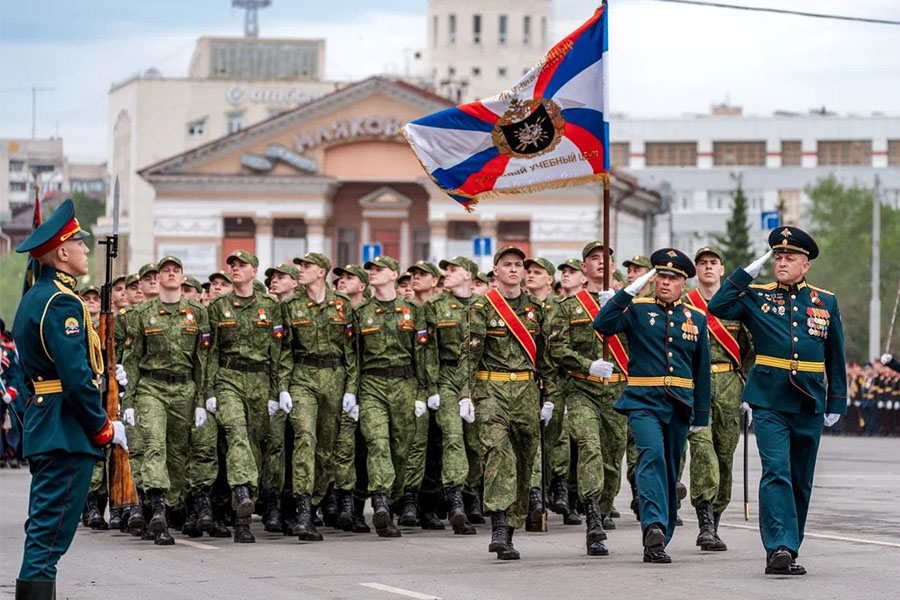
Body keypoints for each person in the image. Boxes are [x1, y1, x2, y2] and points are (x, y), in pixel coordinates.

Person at [708, 227, 847, 576]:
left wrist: (837, 401)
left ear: (806, 265)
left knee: (801, 477)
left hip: (810, 399)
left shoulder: (824, 302)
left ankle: (791, 545)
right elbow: (717, 305)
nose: (782, 262)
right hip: (769, 399)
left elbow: (836, 355)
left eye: (790, 258)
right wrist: (746, 273)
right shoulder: (756, 296)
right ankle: (778, 547)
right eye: (778, 257)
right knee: (776, 471)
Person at [12, 199, 127, 599]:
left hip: (49, 422)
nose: (84, 250)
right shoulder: (62, 302)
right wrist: (101, 426)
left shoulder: (35, 296)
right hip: (65, 429)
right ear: (62, 252)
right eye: (80, 243)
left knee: (45, 530)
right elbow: (76, 377)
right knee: (49, 537)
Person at [594, 248, 710, 564]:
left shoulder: (696, 318)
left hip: (679, 404)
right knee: (651, 457)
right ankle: (653, 526)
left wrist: (701, 413)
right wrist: (624, 293)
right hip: (643, 401)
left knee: (671, 469)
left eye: (673, 278)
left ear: (684, 283)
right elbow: (602, 325)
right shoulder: (637, 308)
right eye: (661, 276)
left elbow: (701, 368)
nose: (666, 282)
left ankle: (661, 536)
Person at [465, 246, 555, 560]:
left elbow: (546, 356)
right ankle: (499, 525)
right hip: (492, 388)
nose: (515, 269)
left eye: (519, 265)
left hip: (527, 393)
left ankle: (512, 527)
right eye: (508, 265)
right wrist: (467, 393)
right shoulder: (482, 305)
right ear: (496, 271)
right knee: (498, 453)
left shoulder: (536, 308)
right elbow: (471, 353)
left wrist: (551, 397)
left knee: (524, 459)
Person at [546, 242, 634, 556]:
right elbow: (556, 349)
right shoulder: (568, 306)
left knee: (612, 460)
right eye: (593, 259)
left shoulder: (630, 305)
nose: (600, 263)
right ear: (584, 269)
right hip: (582, 388)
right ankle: (593, 516)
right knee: (589, 448)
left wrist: (620, 311)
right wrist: (586, 365)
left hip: (618, 390)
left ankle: (605, 503)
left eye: (605, 258)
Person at [121, 255, 210, 546]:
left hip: (184, 389)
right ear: (157, 279)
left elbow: (202, 360)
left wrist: (200, 400)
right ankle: (158, 510)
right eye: (165, 271)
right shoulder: (143, 313)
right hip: (152, 387)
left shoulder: (196, 313)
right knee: (154, 445)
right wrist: (130, 401)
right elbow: (132, 361)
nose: (170, 274)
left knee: (177, 455)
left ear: (182, 278)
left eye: (175, 271)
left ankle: (161, 508)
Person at [204, 250, 289, 543]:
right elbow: (210, 353)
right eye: (232, 266)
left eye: (242, 265)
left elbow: (278, 352)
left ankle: (243, 512)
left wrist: (279, 390)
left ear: (254, 271)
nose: (236, 269)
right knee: (237, 433)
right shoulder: (218, 307)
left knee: (253, 446)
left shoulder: (270, 306)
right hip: (228, 378)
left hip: (261, 381)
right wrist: (209, 391)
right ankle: (241, 494)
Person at [276, 253, 356, 541]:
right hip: (303, 376)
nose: (301, 271)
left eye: (307, 267)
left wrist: (351, 389)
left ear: (321, 272)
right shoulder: (290, 306)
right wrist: (283, 386)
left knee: (326, 451)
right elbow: (284, 349)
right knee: (305, 439)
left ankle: (315, 500)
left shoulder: (342, 305)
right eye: (300, 267)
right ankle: (303, 511)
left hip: (335, 378)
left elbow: (352, 352)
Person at [682, 246, 754, 552]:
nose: (708, 267)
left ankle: (716, 519)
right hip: (696, 383)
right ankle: (705, 523)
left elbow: (751, 350)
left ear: (722, 270)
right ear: (696, 270)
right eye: (702, 263)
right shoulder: (684, 304)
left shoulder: (736, 304)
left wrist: (750, 391)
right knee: (703, 452)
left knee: (725, 454)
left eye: (713, 263)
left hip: (729, 383)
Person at [354, 255, 428, 537]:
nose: (373, 273)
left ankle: (392, 500)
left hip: (405, 384)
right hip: (372, 384)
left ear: (394, 274)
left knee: (401, 448)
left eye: (379, 269)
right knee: (377, 443)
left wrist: (423, 392)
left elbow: (423, 354)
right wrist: (354, 391)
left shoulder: (412, 310)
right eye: (370, 270)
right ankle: (381, 501)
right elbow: (355, 355)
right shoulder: (361, 312)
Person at [523, 257, 572, 529]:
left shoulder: (560, 309)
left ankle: (556, 487)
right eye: (528, 271)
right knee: (533, 442)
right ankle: (534, 499)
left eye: (537, 272)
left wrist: (555, 394)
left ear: (549, 279)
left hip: (557, 384)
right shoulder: (519, 306)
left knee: (554, 443)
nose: (530, 275)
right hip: (527, 384)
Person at [400, 260, 444, 529]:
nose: (416, 278)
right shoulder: (403, 310)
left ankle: (430, 504)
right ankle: (408, 500)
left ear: (435, 281)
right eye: (413, 275)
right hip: (411, 384)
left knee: (437, 447)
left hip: (441, 384)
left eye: (422, 275)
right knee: (414, 445)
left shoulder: (441, 309)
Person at [332, 264, 373, 533]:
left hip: (372, 386)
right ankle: (344, 503)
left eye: (350, 278)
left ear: (363, 286)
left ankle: (359, 507)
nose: (343, 282)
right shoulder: (335, 311)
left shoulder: (371, 311)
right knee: (343, 448)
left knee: (367, 449)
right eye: (340, 278)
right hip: (342, 387)